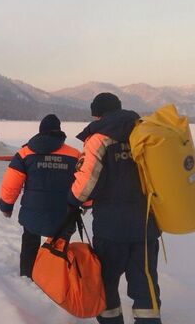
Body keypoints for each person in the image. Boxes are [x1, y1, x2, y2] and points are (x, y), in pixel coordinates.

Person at [68, 93, 162, 324]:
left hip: (111, 229)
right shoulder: (144, 134)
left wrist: (71, 201)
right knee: (145, 281)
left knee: (107, 281)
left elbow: (85, 186)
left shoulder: (98, 139)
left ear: (97, 114)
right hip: (146, 225)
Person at [0, 114, 81, 278]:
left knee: (30, 241)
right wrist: (86, 203)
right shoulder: (75, 155)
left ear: (40, 131)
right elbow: (84, 182)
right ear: (59, 131)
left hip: (32, 211)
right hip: (64, 212)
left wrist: (6, 206)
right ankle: (55, 278)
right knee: (59, 246)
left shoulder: (24, 153)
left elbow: (11, 183)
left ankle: (27, 275)